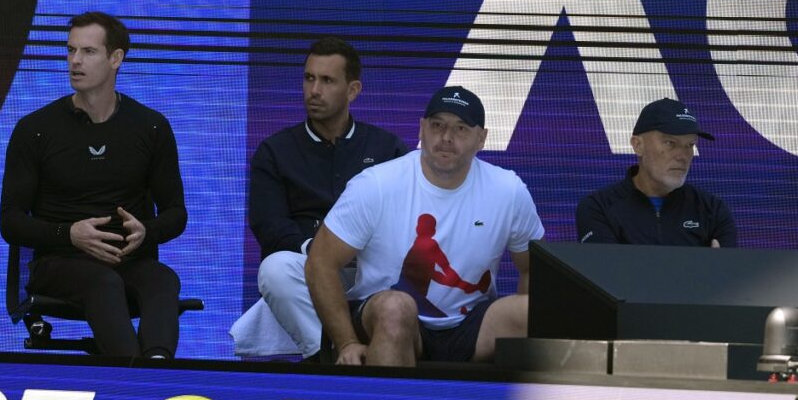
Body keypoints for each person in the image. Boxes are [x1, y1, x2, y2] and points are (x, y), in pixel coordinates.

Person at [305, 86, 544, 366]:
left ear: (482, 139)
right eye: (437, 125)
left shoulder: (508, 190)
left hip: (471, 323)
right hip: (387, 317)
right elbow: (319, 262)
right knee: (397, 308)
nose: (446, 137)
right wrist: (346, 342)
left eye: (461, 128)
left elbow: (532, 267)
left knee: (538, 313)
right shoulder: (377, 184)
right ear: (421, 129)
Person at [0, 11, 187, 358]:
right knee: (103, 282)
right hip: (59, 262)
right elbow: (10, 221)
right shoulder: (34, 130)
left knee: (163, 280)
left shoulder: (151, 128)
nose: (75, 61)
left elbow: (176, 213)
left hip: (128, 260)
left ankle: (159, 369)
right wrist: (69, 234)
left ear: (116, 58)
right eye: (70, 50)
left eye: (88, 52)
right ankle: (135, 379)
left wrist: (147, 231)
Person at [235, 37, 407, 360]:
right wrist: (320, 253)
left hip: (370, 269)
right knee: (274, 268)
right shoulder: (275, 151)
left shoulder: (387, 149)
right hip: (306, 267)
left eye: (327, 81)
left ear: (353, 90)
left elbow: (407, 221)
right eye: (309, 78)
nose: (314, 90)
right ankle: (328, 356)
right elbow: (269, 226)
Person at [576, 97, 737, 247]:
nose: (682, 156)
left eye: (690, 145)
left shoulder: (713, 210)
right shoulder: (599, 207)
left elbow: (731, 274)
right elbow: (603, 272)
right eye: (670, 143)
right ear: (638, 145)